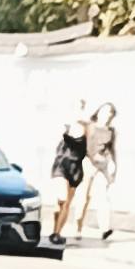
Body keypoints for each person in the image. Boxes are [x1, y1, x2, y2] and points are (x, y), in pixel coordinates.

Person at [47, 98, 90, 245]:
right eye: (77, 107)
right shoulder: (64, 125)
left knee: (65, 204)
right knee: (62, 198)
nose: (79, 110)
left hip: (75, 168)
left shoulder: (87, 127)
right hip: (61, 166)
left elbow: (89, 148)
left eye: (82, 107)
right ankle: (55, 232)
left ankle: (56, 232)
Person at [79, 96, 120, 248]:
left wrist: (114, 165)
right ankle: (78, 226)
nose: (108, 115)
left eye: (111, 112)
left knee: (104, 196)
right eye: (106, 111)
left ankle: (105, 228)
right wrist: (88, 158)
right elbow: (83, 144)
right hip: (88, 162)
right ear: (100, 112)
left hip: (102, 164)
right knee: (85, 196)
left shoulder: (111, 131)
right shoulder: (90, 126)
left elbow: (112, 149)